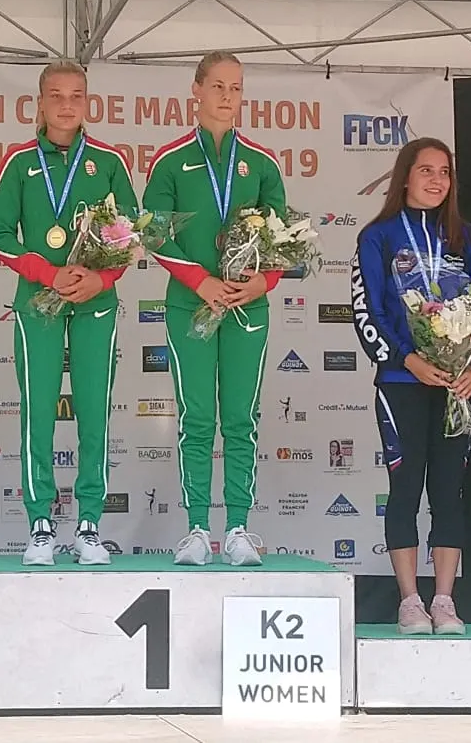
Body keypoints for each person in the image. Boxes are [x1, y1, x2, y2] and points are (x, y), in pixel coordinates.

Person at [0, 60, 138, 566]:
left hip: (96, 301)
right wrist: (47, 274)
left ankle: (90, 523)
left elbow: (130, 234)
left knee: (94, 411)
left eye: (76, 96)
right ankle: (41, 525)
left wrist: (102, 279)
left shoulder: (109, 161)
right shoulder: (18, 162)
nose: (67, 105)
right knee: (38, 411)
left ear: (88, 103)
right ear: (40, 103)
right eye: (56, 95)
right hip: (38, 301)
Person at [144, 51, 286, 567]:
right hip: (191, 303)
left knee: (242, 418)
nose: (228, 97)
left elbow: (282, 239)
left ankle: (240, 528)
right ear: (197, 90)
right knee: (197, 417)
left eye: (236, 88)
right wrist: (199, 280)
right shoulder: (170, 161)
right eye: (219, 86)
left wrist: (264, 281)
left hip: (248, 307)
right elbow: (154, 234)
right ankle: (198, 529)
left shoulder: (262, 163)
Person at [351, 137, 471, 635]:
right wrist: (407, 359)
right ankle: (410, 601)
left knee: (449, 489)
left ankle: (445, 600)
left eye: (444, 172)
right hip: (401, 379)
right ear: (405, 177)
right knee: (406, 486)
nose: (437, 180)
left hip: (457, 383)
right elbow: (367, 311)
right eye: (426, 170)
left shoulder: (468, 238)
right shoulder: (378, 236)